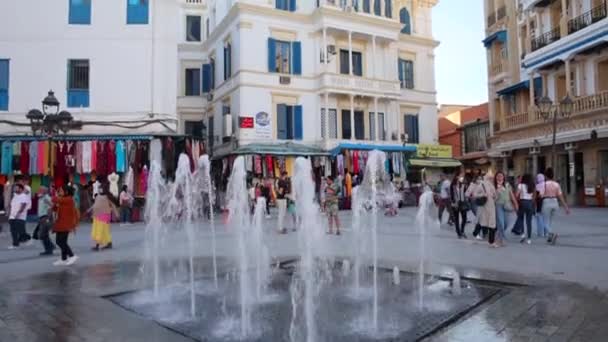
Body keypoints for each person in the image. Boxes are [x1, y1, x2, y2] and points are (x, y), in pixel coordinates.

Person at [540, 168, 570, 245]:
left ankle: (551, 233)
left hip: (546, 202)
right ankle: (549, 237)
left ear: (546, 176)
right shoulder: (557, 184)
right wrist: (566, 207)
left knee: (545, 222)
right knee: (551, 221)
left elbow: (541, 195)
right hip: (555, 202)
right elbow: (560, 196)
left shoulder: (544, 184)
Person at [467, 174, 498, 247]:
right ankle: (477, 234)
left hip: (492, 206)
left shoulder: (492, 185)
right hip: (484, 207)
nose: (491, 179)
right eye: (490, 178)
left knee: (492, 223)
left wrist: (494, 196)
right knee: (483, 222)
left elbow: (495, 196)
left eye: (492, 178)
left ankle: (491, 241)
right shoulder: (481, 185)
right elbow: (474, 194)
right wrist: (483, 195)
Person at [52, 185, 79, 266]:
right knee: (60, 241)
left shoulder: (69, 199)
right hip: (60, 223)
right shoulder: (64, 199)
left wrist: (56, 195)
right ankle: (64, 258)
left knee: (60, 241)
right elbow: (55, 207)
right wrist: (55, 207)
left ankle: (72, 255)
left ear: (66, 192)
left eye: (61, 191)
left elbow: (54, 199)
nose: (59, 192)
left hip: (66, 223)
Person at [494, 171, 518, 246]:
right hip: (498, 205)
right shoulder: (494, 186)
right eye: (498, 176)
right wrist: (497, 191)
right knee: (500, 222)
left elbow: (512, 195)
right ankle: (501, 240)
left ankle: (498, 237)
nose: (500, 177)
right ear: (496, 177)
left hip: (507, 205)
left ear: (504, 177)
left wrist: (516, 204)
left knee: (506, 224)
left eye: (501, 176)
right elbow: (492, 198)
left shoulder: (507, 185)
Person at [90, 186, 117, 251]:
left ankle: (97, 245)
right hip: (97, 216)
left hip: (103, 216)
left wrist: (116, 214)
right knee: (105, 231)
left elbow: (113, 205)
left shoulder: (107, 197)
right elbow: (94, 205)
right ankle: (109, 243)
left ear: (104, 189)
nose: (100, 190)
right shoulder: (98, 196)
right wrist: (89, 210)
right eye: (99, 189)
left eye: (101, 188)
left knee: (99, 230)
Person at [8, 183, 31, 249]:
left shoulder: (23, 196)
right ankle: (15, 244)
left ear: (21, 189)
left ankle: (28, 238)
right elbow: (12, 206)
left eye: (16, 188)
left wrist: (18, 214)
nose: (15, 189)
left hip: (20, 217)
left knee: (21, 231)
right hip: (12, 216)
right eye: (14, 188)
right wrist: (10, 214)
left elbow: (23, 206)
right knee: (13, 231)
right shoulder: (15, 196)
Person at [515, 173, 536, 244]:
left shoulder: (520, 185)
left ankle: (523, 234)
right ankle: (529, 239)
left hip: (522, 202)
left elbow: (517, 195)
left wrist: (517, 200)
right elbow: (534, 197)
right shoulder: (532, 186)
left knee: (521, 219)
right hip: (530, 203)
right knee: (529, 221)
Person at [450, 172, 469, 239]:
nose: (462, 177)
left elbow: (466, 193)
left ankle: (462, 231)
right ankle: (459, 233)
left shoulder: (463, 184)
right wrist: (453, 202)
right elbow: (451, 195)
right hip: (455, 203)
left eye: (462, 176)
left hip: (463, 203)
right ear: (457, 177)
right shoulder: (452, 185)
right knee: (456, 219)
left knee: (464, 219)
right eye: (460, 176)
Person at [37, 186, 55, 255]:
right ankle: (50, 248)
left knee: (42, 235)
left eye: (40, 190)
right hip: (42, 217)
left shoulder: (46, 198)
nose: (39, 191)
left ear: (44, 191)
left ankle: (49, 248)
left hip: (45, 218)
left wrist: (48, 218)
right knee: (44, 234)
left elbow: (50, 208)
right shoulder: (41, 198)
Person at [534, 173, 548, 237]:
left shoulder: (537, 186)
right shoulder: (546, 184)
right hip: (546, 201)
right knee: (546, 218)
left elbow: (537, 195)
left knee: (539, 218)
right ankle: (546, 232)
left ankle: (540, 232)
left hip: (540, 202)